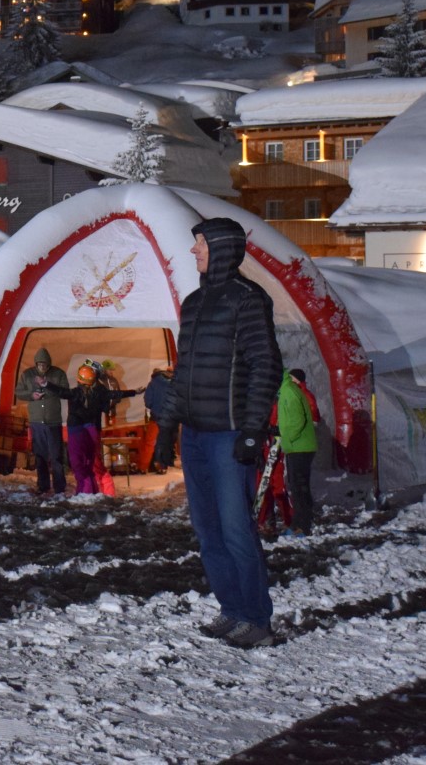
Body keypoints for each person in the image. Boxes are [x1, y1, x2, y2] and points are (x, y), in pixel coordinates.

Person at [152, 217, 282, 650]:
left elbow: (266, 365)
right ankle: (232, 610)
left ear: (223, 248)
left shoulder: (248, 299)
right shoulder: (193, 303)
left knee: (235, 529)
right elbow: (184, 374)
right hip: (194, 435)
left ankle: (257, 620)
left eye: (201, 244)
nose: (194, 251)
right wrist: (166, 429)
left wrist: (253, 430)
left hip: (229, 435)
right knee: (208, 532)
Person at [64, 363, 142, 496]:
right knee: (90, 464)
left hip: (90, 429)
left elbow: (111, 399)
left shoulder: (99, 389)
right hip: (89, 428)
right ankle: (94, 492)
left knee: (93, 464)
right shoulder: (96, 388)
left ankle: (103, 493)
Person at [16, 347, 69, 496]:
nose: (42, 367)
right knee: (40, 456)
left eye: (45, 364)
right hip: (37, 421)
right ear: (36, 363)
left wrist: (48, 387)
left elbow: (66, 392)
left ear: (49, 364)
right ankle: (43, 485)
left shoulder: (58, 374)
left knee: (56, 456)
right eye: (40, 364)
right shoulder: (27, 375)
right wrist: (31, 395)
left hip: (53, 420)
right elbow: (18, 392)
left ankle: (59, 487)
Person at [276, 368, 318, 536]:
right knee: (296, 487)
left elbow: (297, 420)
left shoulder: (289, 392)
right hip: (296, 446)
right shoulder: (286, 391)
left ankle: (304, 525)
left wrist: (287, 437)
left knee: (300, 488)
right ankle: (296, 523)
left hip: (299, 446)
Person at [143, 367, 174, 474]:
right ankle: (162, 467)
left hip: (156, 417)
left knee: (150, 443)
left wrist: (153, 406)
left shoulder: (152, 383)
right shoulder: (171, 382)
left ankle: (143, 467)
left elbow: (148, 401)